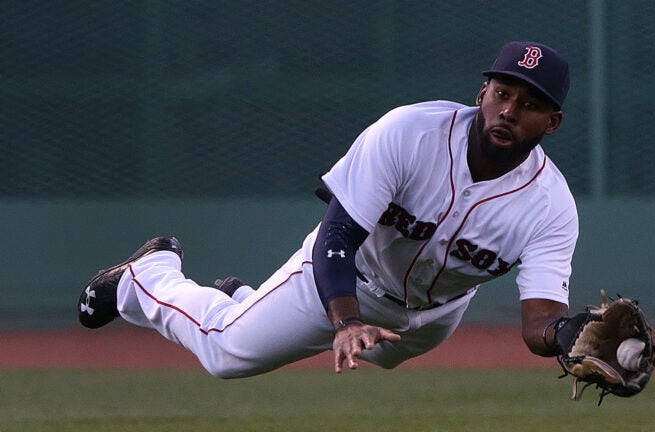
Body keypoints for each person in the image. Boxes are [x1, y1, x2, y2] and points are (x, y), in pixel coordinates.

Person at [78, 41, 577, 378]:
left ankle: (245, 297)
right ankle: (146, 275)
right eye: (502, 93)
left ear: (551, 122)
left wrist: (567, 336)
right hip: (343, 280)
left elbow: (540, 320)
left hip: (437, 313)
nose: (509, 110)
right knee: (226, 353)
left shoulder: (550, 207)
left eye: (530, 104)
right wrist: (345, 321)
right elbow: (336, 234)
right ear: (482, 93)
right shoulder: (408, 134)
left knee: (384, 360)